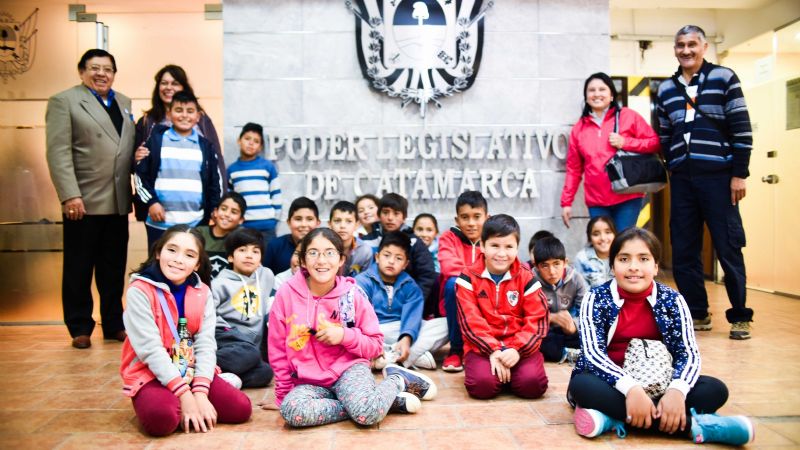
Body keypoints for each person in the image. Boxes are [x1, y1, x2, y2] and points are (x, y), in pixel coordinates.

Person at [568, 227, 754, 446]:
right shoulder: (596, 298)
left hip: (659, 382)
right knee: (581, 386)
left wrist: (676, 391)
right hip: (612, 385)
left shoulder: (672, 300)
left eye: (644, 259)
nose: (633, 267)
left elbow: (688, 354)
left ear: (656, 266)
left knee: (715, 390)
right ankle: (693, 426)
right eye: (624, 259)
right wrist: (631, 389)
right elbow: (592, 355)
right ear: (613, 265)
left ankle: (610, 418)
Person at [268, 228, 438, 427]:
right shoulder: (286, 294)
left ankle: (397, 380)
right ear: (303, 260)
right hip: (308, 380)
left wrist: (344, 335)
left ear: (341, 260)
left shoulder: (352, 295)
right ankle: (377, 403)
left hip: (348, 370)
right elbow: (278, 349)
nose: (321, 260)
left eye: (329, 253)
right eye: (313, 253)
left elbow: (375, 345)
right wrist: (282, 394)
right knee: (292, 411)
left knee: (367, 415)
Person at [656, 25, 754, 340]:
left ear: (704, 46)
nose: (686, 50)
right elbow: (664, 134)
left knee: (729, 247)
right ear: (674, 49)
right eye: (680, 45)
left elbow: (741, 129)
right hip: (683, 179)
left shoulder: (724, 78)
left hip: (720, 178)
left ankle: (740, 316)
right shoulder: (666, 89)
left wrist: (739, 173)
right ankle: (697, 313)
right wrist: (672, 167)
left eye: (692, 44)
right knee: (683, 249)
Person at [120, 225, 251, 436]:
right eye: (172, 250)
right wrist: (185, 396)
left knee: (241, 409)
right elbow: (150, 350)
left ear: (197, 264)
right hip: (151, 372)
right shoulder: (139, 291)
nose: (179, 259)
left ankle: (184, 399)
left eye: (189, 255)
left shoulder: (202, 292)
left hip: (189, 368)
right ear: (158, 252)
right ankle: (166, 401)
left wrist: (200, 392)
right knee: (161, 421)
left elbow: (206, 343)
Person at [45, 49, 134, 349]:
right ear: (82, 71)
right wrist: (70, 194)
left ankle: (113, 323)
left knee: (113, 268)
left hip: (118, 200)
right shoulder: (65, 101)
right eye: (94, 68)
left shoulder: (124, 102)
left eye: (108, 69)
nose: (101, 74)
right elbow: (58, 152)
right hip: (83, 201)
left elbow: (124, 146)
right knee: (79, 267)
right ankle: (80, 325)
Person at [455, 214, 549, 400]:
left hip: (520, 346)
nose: (501, 253)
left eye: (508, 247)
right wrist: (494, 351)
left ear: (516, 248)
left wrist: (517, 350)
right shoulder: (467, 278)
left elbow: (537, 319)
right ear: (482, 245)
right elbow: (470, 322)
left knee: (533, 386)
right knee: (482, 387)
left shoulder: (526, 277)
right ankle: (499, 374)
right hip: (482, 348)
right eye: (495, 246)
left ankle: (512, 374)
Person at [560, 72, 661, 232]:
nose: (597, 94)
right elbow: (574, 169)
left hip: (627, 196)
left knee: (622, 246)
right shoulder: (579, 128)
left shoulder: (629, 116)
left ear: (611, 95)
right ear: (586, 96)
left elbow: (655, 143)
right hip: (597, 201)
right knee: (603, 247)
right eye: (592, 90)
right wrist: (566, 202)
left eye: (602, 89)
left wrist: (626, 142)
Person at [133, 64, 225, 218]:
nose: (169, 87)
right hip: (157, 210)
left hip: (195, 211)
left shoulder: (201, 119)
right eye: (164, 83)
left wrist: (217, 204)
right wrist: (136, 158)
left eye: (175, 83)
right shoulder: (147, 121)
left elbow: (216, 162)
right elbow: (136, 167)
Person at [134, 91, 221, 250]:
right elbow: (140, 177)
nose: (184, 116)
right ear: (169, 113)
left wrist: (214, 209)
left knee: (189, 266)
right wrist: (152, 202)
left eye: (190, 111)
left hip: (195, 223)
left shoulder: (206, 146)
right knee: (157, 265)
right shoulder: (155, 141)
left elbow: (215, 182)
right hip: (160, 223)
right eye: (179, 110)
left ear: (198, 116)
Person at [356, 232, 448, 370]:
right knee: (360, 333)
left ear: (405, 264)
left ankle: (394, 358)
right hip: (375, 330)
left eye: (398, 258)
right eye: (387, 255)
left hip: (402, 328)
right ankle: (411, 357)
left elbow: (413, 317)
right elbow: (360, 318)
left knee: (445, 325)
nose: (391, 261)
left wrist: (407, 337)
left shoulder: (410, 285)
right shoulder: (363, 281)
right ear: (377, 257)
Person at [212, 228, 274, 388]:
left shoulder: (266, 276)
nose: (249, 255)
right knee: (251, 354)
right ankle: (203, 362)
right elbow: (208, 313)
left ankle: (223, 379)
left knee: (265, 372)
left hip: (249, 348)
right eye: (242, 250)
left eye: (255, 251)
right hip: (226, 338)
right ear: (230, 257)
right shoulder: (219, 283)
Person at [437, 190, 488, 372]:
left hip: (486, 298)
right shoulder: (449, 238)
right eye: (465, 217)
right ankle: (456, 350)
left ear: (487, 217)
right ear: (457, 220)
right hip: (456, 300)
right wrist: (477, 280)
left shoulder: (493, 239)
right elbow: (448, 267)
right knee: (453, 284)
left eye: (477, 217)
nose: (471, 223)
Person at [362, 193, 437, 307]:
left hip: (406, 298)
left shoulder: (413, 242)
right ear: (378, 215)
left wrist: (414, 303)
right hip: (373, 299)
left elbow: (426, 275)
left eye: (396, 213)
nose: (390, 218)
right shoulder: (368, 241)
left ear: (404, 217)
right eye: (386, 212)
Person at [532, 237, 586, 363]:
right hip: (546, 333)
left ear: (565, 262)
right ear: (536, 266)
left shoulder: (576, 279)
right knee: (538, 342)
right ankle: (570, 353)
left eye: (556, 264)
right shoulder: (529, 281)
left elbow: (586, 313)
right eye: (545, 266)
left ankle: (567, 353)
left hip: (569, 331)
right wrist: (550, 318)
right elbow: (527, 316)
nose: (552, 272)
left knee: (593, 337)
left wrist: (574, 325)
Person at [227, 122, 282, 246]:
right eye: (247, 139)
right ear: (239, 141)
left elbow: (276, 193)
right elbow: (231, 199)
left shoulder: (267, 167)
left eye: (256, 141)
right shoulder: (232, 170)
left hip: (267, 226)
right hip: (243, 226)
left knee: (269, 260)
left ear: (261, 147)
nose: (251, 143)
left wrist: (274, 218)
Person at [263, 196, 320, 274]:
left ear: (318, 223)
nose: (303, 224)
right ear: (288, 222)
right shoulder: (274, 246)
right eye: (298, 219)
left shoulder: (323, 248)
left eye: (309, 219)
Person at [196, 192, 246, 279]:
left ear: (241, 220)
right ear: (215, 212)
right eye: (223, 209)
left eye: (234, 212)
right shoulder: (200, 233)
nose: (227, 214)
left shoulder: (241, 239)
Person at [329, 200, 373, 277]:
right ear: (330, 224)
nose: (342, 226)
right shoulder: (323, 247)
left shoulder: (364, 251)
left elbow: (365, 280)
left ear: (357, 225)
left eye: (348, 221)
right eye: (337, 221)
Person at [574, 216, 616, 289]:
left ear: (615, 235)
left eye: (608, 232)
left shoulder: (622, 257)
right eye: (596, 234)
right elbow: (580, 291)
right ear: (589, 238)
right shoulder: (582, 258)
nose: (603, 238)